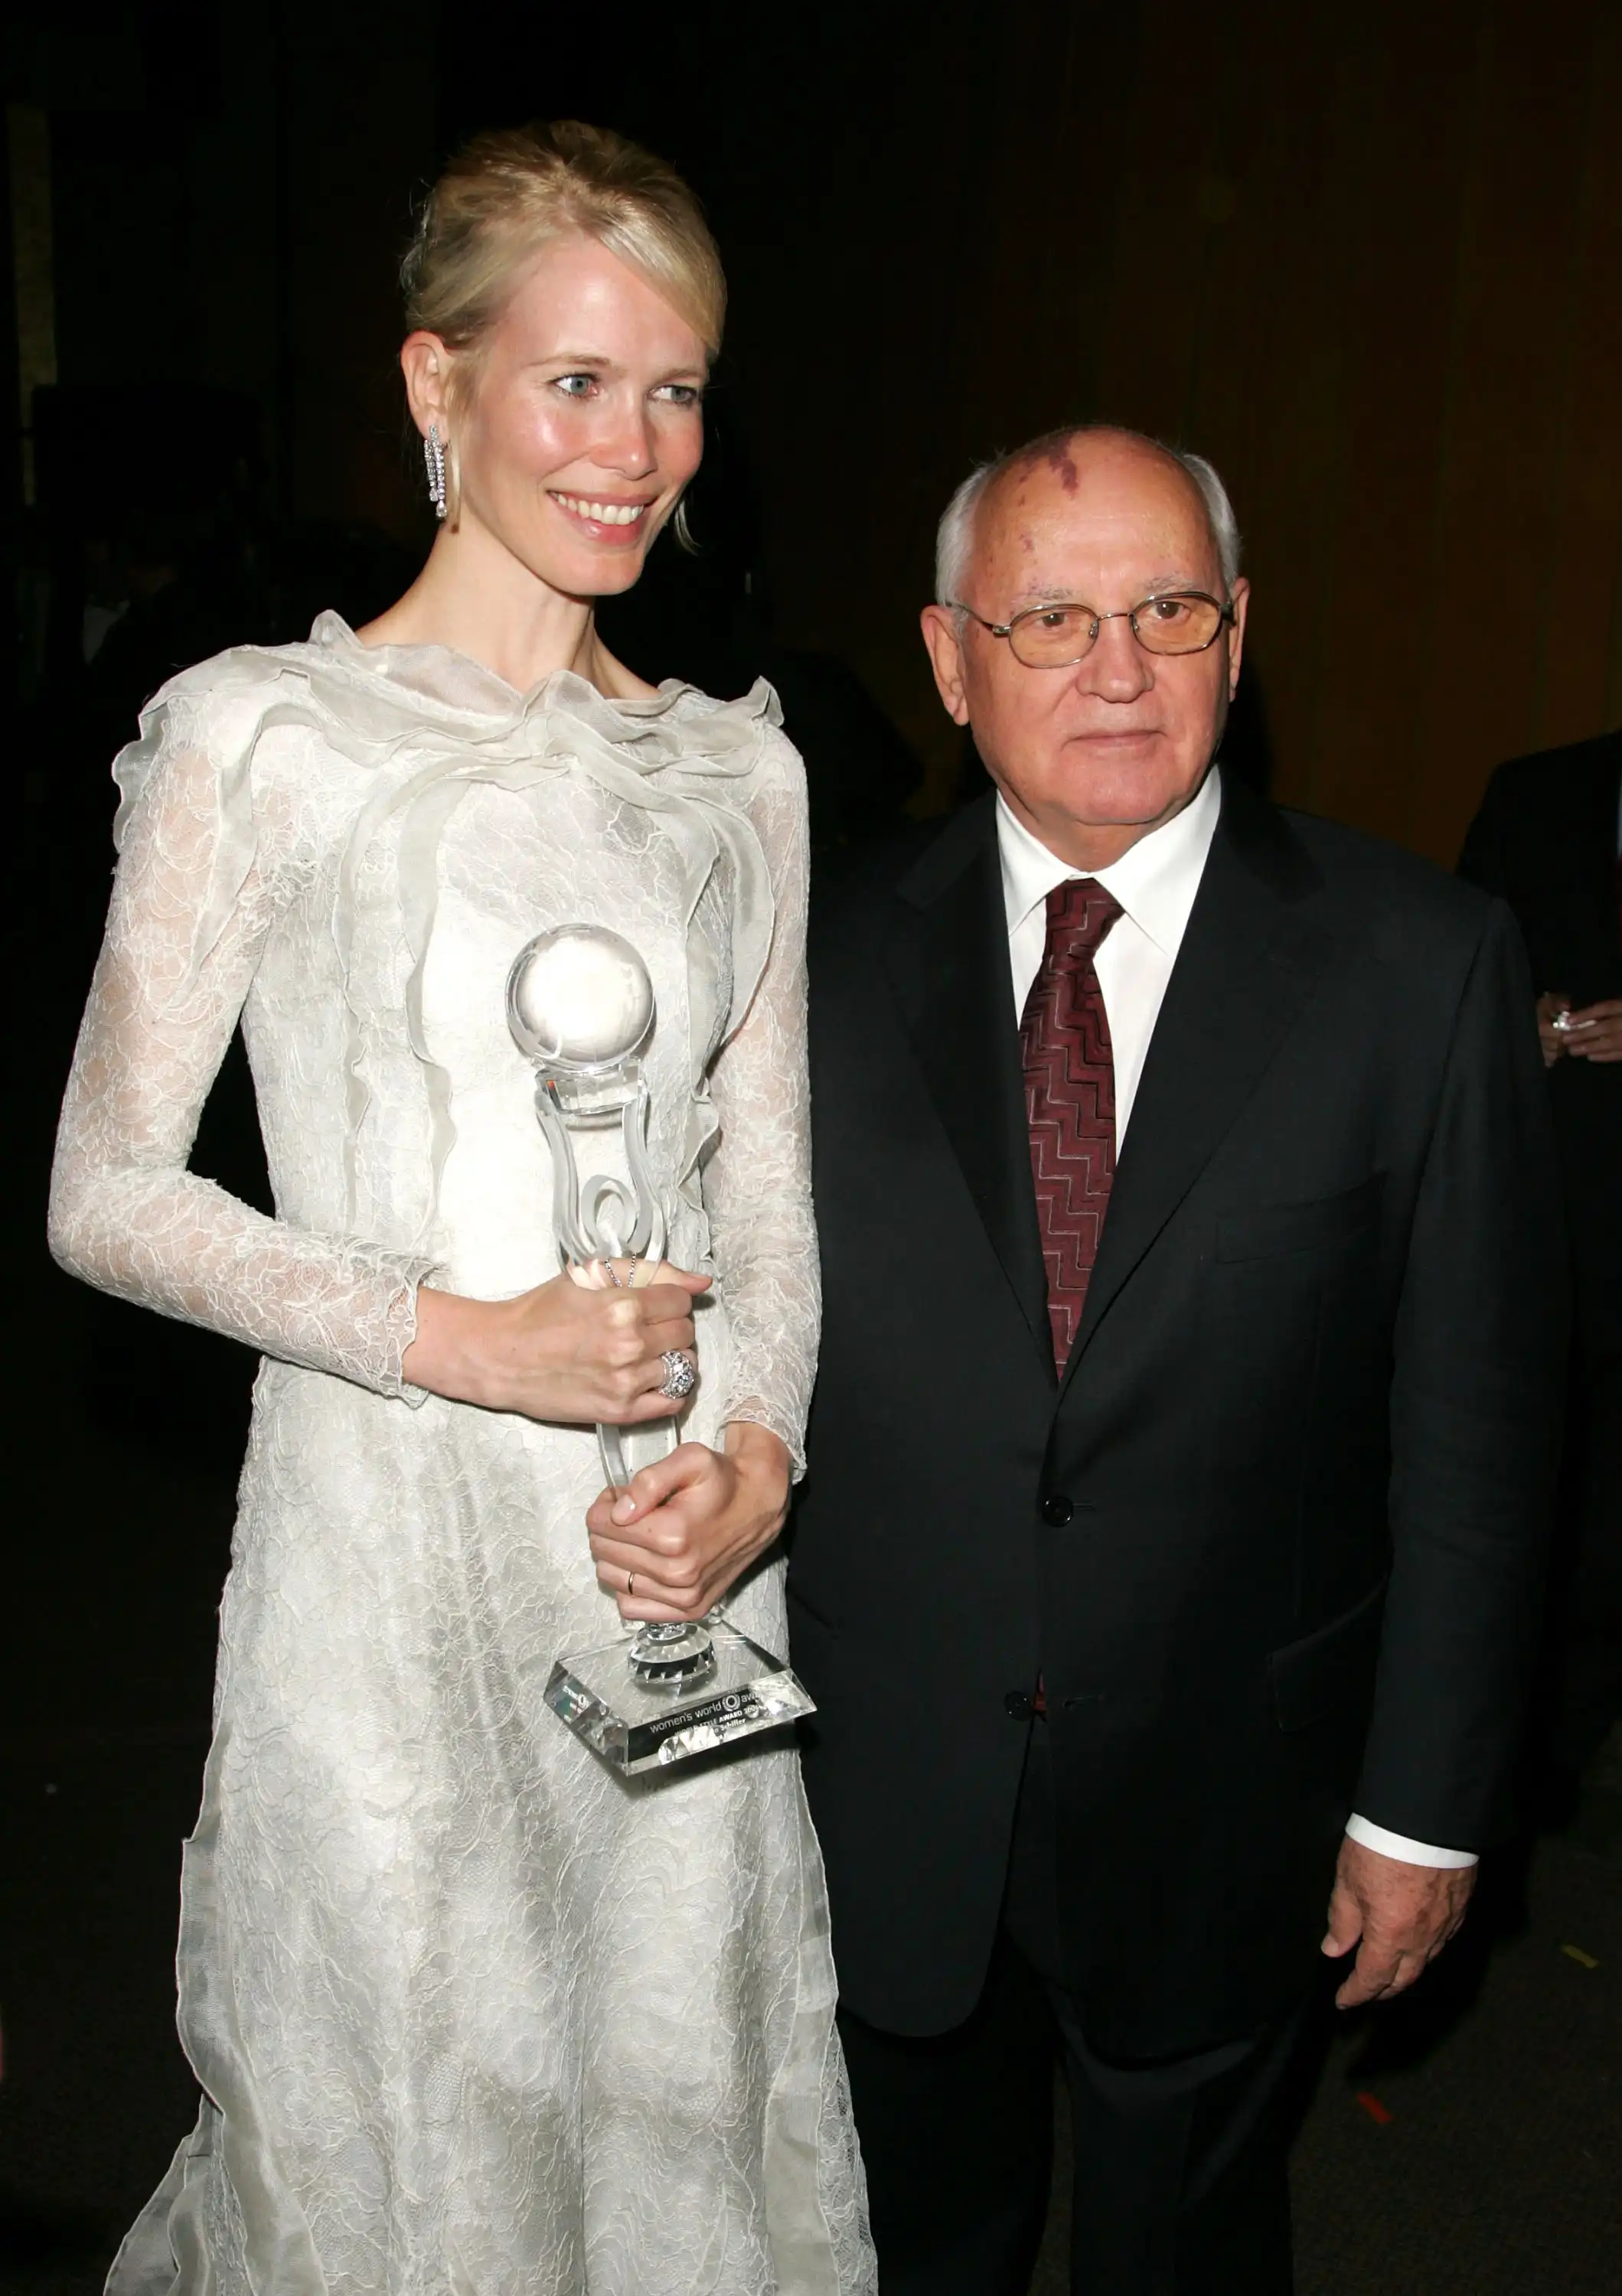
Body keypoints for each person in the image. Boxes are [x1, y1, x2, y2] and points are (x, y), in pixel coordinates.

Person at [49, 122, 872, 2296]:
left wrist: (760, 1459)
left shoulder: (739, 771)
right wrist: (462, 1336)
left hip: (669, 1576)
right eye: (574, 382)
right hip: (387, 1579)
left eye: (674, 390)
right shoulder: (263, 739)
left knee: (672, 2146)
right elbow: (103, 1192)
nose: (633, 450)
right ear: (438, 383)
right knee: (405, 2157)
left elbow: (769, 1202)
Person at [790, 426, 1565, 2293]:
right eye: (1049, 618)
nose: (1118, 668)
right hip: (885, 1788)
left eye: (1169, 610)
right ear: (949, 659)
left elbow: (1480, 1433)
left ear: (1241, 633)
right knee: (911, 2245)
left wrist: (1424, 1804)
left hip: (1242, 1798)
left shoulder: (1422, 963)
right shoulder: (805, 953)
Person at [1459, 730, 1622, 1796]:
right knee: (1538, 1488)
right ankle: (1531, 1757)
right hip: (1547, 1211)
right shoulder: (1538, 791)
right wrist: (1516, 1022)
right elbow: (1460, 954)